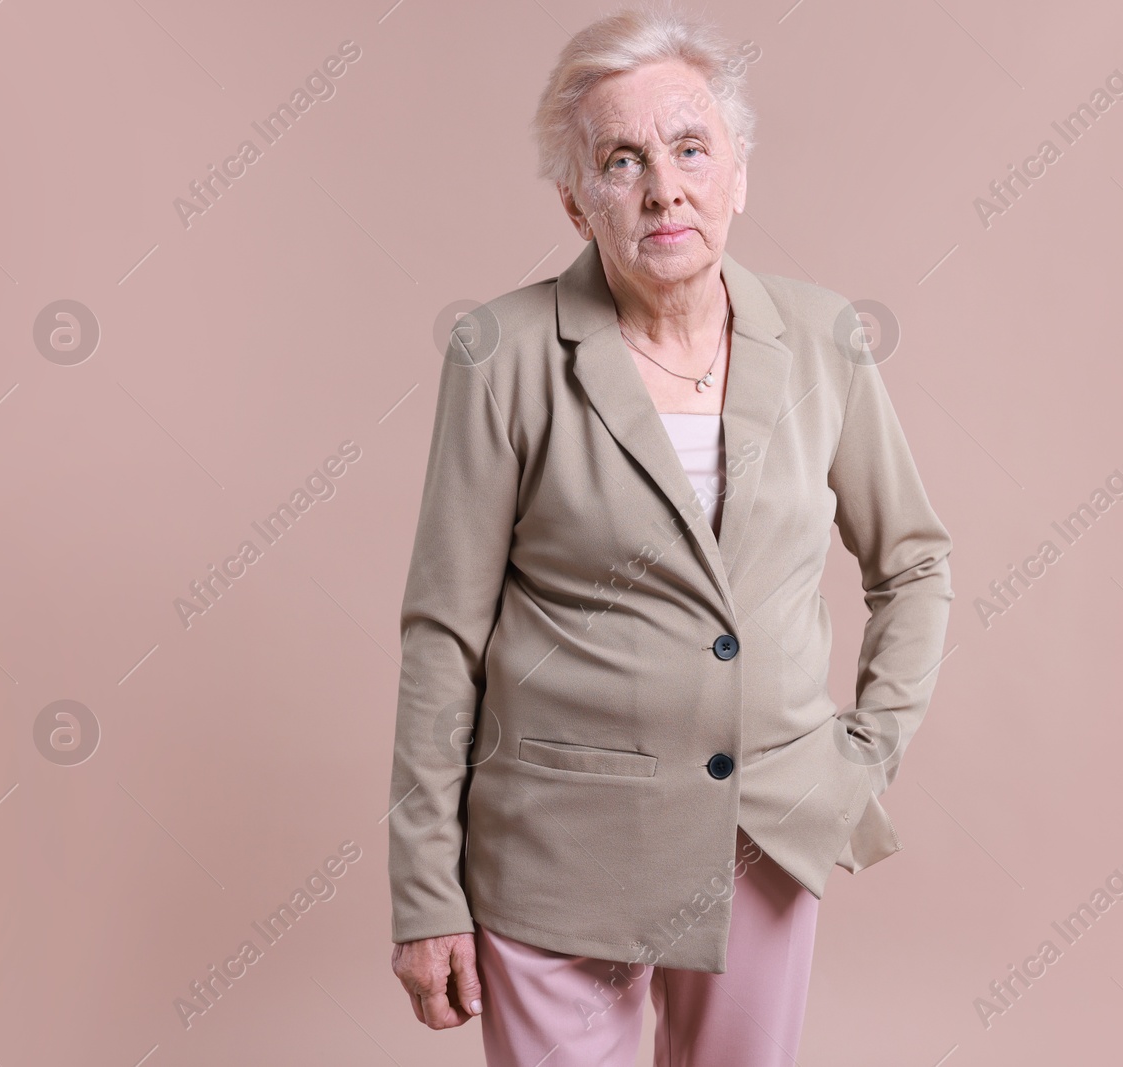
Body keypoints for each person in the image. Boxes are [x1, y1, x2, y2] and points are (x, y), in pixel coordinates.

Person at [387, 7, 955, 1065]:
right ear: (575, 198)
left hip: (765, 828)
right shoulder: (499, 352)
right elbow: (442, 632)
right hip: (554, 844)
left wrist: (863, 754)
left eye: (692, 148)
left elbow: (914, 561)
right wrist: (426, 890)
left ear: (737, 171)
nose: (664, 187)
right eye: (621, 160)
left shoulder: (826, 337)